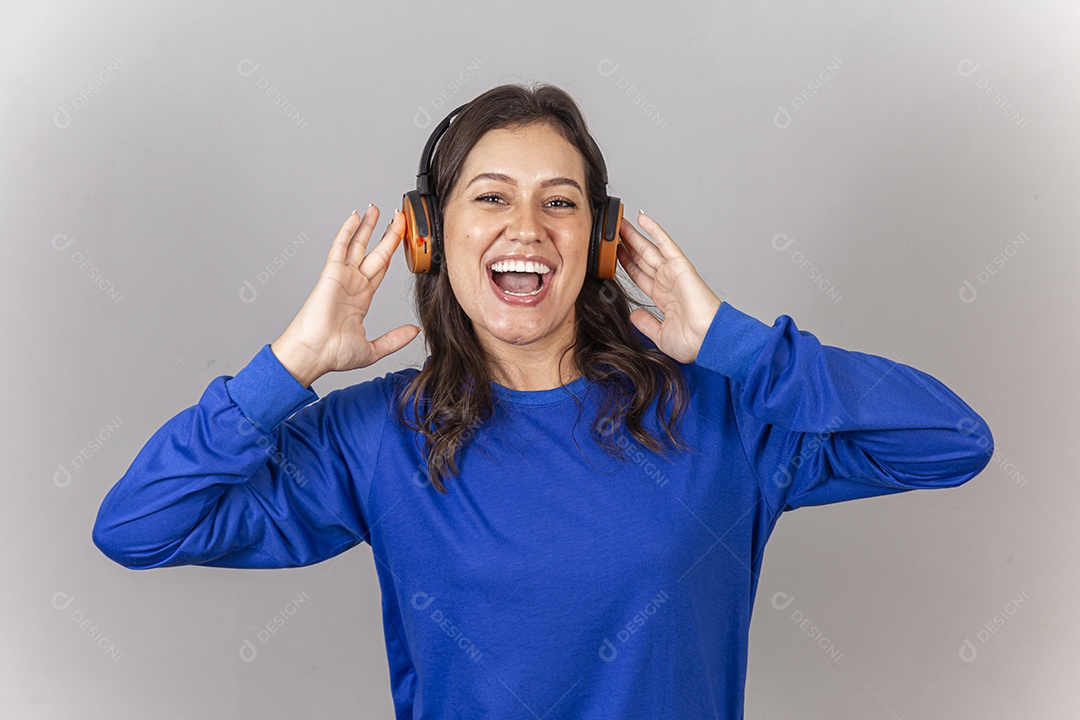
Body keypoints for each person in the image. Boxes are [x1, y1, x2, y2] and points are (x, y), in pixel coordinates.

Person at [93, 82, 994, 719]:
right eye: (490, 198)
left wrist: (733, 343)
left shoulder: (724, 412)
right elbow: (140, 526)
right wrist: (286, 367)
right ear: (430, 236)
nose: (525, 228)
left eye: (559, 203)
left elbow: (952, 438)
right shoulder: (374, 437)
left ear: (600, 243)